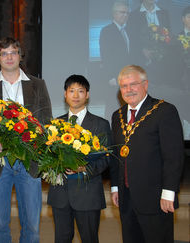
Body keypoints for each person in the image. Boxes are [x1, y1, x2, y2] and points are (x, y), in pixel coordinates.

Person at [0, 37, 52, 243]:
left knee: (32, 226)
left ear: (20, 57)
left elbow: (46, 120)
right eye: (3, 53)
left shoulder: (37, 85)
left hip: (30, 160)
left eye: (13, 52)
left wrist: (36, 141)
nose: (9, 57)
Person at [110, 65, 184, 243]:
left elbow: (174, 156)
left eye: (133, 84)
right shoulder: (117, 115)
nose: (129, 90)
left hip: (156, 198)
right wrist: (115, 187)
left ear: (146, 84)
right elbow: (115, 155)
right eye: (124, 86)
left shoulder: (164, 111)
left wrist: (168, 192)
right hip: (126, 197)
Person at [47, 75, 113, 243]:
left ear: (87, 95)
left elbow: (106, 158)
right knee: (61, 238)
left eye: (81, 91)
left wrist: (84, 169)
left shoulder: (100, 124)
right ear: (65, 94)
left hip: (87, 194)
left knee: (89, 239)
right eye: (72, 91)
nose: (76, 95)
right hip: (60, 194)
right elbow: (47, 155)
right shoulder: (55, 124)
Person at [127, 0, 170, 67]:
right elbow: (132, 38)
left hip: (163, 60)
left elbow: (168, 33)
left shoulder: (164, 13)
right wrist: (142, 50)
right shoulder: (134, 15)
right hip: (143, 60)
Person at [100, 0, 131, 84]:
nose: (125, 15)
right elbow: (106, 55)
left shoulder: (129, 30)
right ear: (114, 14)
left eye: (127, 13)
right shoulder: (107, 31)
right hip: (116, 76)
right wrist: (110, 76)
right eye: (122, 12)